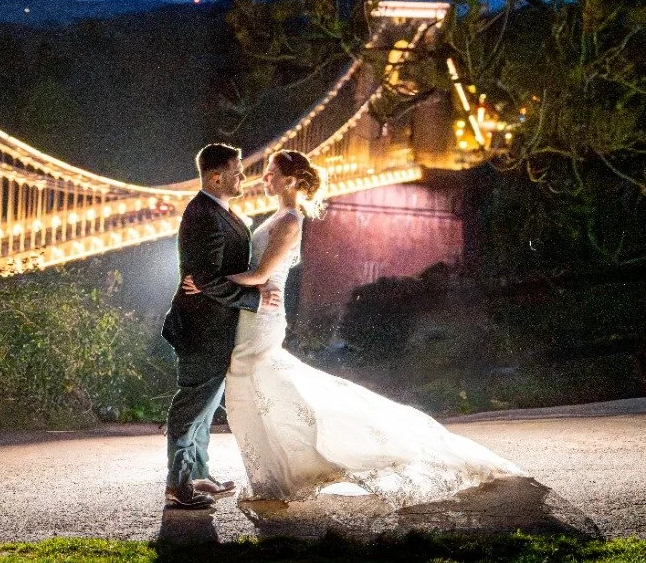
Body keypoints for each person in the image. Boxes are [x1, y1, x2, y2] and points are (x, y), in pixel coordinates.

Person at [213, 149, 525, 505]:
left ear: (290, 180)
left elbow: (261, 275)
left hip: (264, 316)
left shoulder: (289, 220)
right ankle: (273, 476)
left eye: (270, 172)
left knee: (254, 384)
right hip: (254, 311)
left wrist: (209, 282)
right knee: (253, 388)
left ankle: (283, 474)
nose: (263, 178)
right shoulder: (277, 217)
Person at [159, 143, 277, 509]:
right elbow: (207, 278)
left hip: (216, 326)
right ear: (216, 176)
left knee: (207, 407)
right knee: (191, 406)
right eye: (237, 170)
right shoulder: (204, 215)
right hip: (201, 328)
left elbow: (210, 276)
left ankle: (198, 475)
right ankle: (178, 484)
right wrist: (254, 300)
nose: (244, 175)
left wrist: (222, 283)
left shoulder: (220, 211)